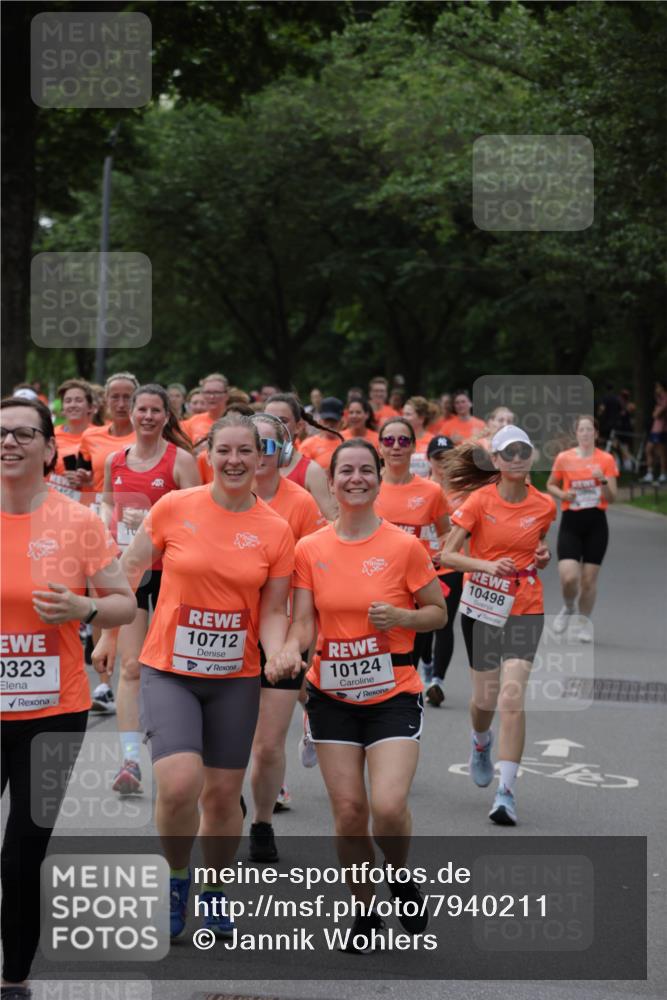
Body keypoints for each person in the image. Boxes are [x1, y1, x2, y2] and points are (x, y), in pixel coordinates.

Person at [94, 412, 294, 940]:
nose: (233, 460)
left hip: (235, 676)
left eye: (244, 451)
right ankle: (178, 877)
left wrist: (276, 651)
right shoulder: (175, 507)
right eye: (223, 450)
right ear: (208, 456)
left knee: (224, 798)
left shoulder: (275, 528)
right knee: (180, 784)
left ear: (261, 456)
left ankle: (215, 889)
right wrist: (112, 632)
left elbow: (274, 610)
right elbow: (130, 570)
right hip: (170, 670)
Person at [267, 440, 446, 950]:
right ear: (332, 479)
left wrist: (405, 618)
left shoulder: (404, 547)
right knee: (348, 812)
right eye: (346, 471)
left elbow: (438, 612)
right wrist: (288, 653)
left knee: (387, 807)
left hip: (393, 690)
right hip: (332, 695)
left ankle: (399, 873)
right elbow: (303, 622)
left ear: (378, 479)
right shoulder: (310, 549)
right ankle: (364, 911)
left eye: (365, 471)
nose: (356, 479)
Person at [1, 396, 135, 997]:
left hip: (53, 709)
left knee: (24, 849)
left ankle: (14, 977)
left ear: (50, 449)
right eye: (0, 434)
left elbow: (123, 603)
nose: (9, 443)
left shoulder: (77, 521)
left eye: (23, 434)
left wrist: (86, 608)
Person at [442, 426, 555, 826]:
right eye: (509, 452)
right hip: (482, 605)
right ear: (498, 461)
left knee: (511, 698)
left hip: (526, 604)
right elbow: (448, 555)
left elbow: (536, 548)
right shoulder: (478, 501)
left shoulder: (544, 505)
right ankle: (480, 741)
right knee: (485, 701)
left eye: (524, 450)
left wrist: (541, 556)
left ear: (530, 457)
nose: (517, 457)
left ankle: (506, 793)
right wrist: (487, 565)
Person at [95, 384, 200, 795]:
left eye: (157, 410)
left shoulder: (182, 462)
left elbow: (198, 520)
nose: (148, 416)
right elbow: (106, 502)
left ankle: (185, 752)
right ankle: (130, 762)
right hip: (133, 571)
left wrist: (156, 525)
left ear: (167, 416)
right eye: (143, 409)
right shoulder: (115, 460)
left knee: (178, 665)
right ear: (131, 413)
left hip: (175, 573)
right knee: (133, 665)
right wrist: (113, 525)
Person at [247, 413, 322, 861]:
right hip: (227, 629)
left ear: (283, 452)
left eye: (268, 446)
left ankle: (261, 823)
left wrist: (301, 639)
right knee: (229, 739)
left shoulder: (301, 504)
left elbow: (313, 574)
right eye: (250, 445)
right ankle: (224, 798)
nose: (258, 455)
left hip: (285, 626)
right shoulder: (217, 498)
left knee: (268, 741)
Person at [76, 372, 138, 710]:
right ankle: (104, 683)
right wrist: (84, 479)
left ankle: (137, 671)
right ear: (105, 401)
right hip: (103, 523)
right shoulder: (91, 436)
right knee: (103, 597)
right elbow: (88, 479)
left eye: (127, 396)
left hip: (144, 529)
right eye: (114, 396)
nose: (120, 403)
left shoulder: (148, 433)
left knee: (139, 606)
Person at [374, 418, 450, 680]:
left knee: (407, 664)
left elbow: (445, 532)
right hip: (372, 585)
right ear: (379, 447)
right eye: (389, 440)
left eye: (403, 440)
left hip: (415, 589)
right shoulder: (367, 488)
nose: (396, 446)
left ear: (413, 447)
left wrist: (443, 552)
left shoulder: (431, 491)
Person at [547, 415, 619, 642]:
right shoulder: (564, 458)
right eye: (582, 430)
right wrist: (563, 495)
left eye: (590, 430)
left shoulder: (606, 459)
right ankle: (569, 607)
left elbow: (613, 497)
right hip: (571, 522)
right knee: (568, 578)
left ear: (596, 434)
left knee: (588, 580)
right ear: (576, 434)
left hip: (596, 523)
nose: (586, 434)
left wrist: (603, 481)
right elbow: (551, 485)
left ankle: (584, 622)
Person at [422, 434, 463, 707]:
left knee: (445, 623)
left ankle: (437, 679)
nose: (443, 464)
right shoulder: (420, 489)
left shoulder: (465, 493)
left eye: (448, 458)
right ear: (428, 460)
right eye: (438, 458)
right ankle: (426, 664)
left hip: (450, 567)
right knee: (422, 627)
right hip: (419, 569)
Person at [264, 393, 338, 520]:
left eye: (282, 421)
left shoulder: (311, 472)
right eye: (269, 420)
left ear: (298, 427)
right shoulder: (253, 467)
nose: (275, 427)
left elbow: (332, 521)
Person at [49, 379, 94, 501]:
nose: (73, 405)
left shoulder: (100, 436)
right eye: (68, 401)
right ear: (63, 409)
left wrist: (88, 481)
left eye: (78, 400)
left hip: (87, 505)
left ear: (90, 407)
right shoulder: (50, 436)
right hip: (53, 503)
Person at [298, 397, 346, 470]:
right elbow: (300, 473)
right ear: (320, 421)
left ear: (341, 422)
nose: (330, 424)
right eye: (327, 420)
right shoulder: (308, 445)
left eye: (334, 421)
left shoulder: (347, 443)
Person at [182, 373, 229, 444]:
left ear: (226, 395)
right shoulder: (190, 423)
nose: (212, 397)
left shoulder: (238, 422)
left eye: (216, 392)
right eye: (208, 392)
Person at [640, 379, 667, 483]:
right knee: (648, 450)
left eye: (658, 387)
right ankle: (650, 473)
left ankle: (663, 474)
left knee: (662, 453)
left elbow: (656, 414)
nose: (656, 389)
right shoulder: (659, 399)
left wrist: (657, 410)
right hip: (655, 429)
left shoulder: (665, 399)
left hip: (662, 429)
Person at [401, 397, 436, 477]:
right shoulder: (400, 441)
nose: (403, 418)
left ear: (421, 418)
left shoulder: (432, 441)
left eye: (408, 414)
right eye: (403, 414)